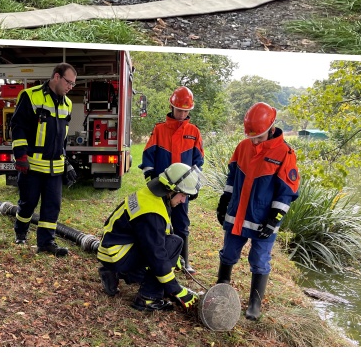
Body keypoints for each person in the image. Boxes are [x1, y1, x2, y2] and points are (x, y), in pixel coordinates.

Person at [217, 102, 300, 322]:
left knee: (260, 259)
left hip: (264, 220)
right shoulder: (243, 147)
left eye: (259, 137)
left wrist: (274, 220)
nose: (254, 141)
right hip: (237, 214)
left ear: (272, 129)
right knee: (228, 252)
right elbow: (231, 178)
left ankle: (254, 303)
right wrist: (224, 201)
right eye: (251, 136)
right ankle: (222, 287)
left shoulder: (285, 153)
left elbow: (287, 192)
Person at [97, 162, 202, 313]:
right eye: (183, 195)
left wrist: (173, 259)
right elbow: (156, 255)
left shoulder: (151, 195)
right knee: (173, 244)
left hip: (112, 248)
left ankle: (115, 273)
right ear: (171, 189)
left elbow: (155, 235)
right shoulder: (152, 212)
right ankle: (148, 299)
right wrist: (177, 290)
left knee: (160, 261)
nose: (183, 200)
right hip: (117, 255)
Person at [10, 62, 76, 256]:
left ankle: (46, 243)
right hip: (31, 165)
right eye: (68, 82)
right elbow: (18, 126)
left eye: (73, 84)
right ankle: (20, 231)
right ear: (56, 77)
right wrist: (20, 155)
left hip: (55, 168)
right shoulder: (31, 96)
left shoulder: (68, 104)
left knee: (52, 206)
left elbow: (61, 137)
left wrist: (66, 162)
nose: (70, 87)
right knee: (28, 203)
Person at [140, 86, 204, 273]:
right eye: (179, 110)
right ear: (172, 107)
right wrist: (151, 179)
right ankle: (158, 259)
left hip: (183, 188)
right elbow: (148, 156)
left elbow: (198, 162)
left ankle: (184, 261)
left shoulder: (194, 132)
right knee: (158, 222)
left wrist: (195, 186)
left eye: (186, 111)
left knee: (182, 223)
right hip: (162, 186)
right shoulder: (159, 129)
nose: (182, 114)